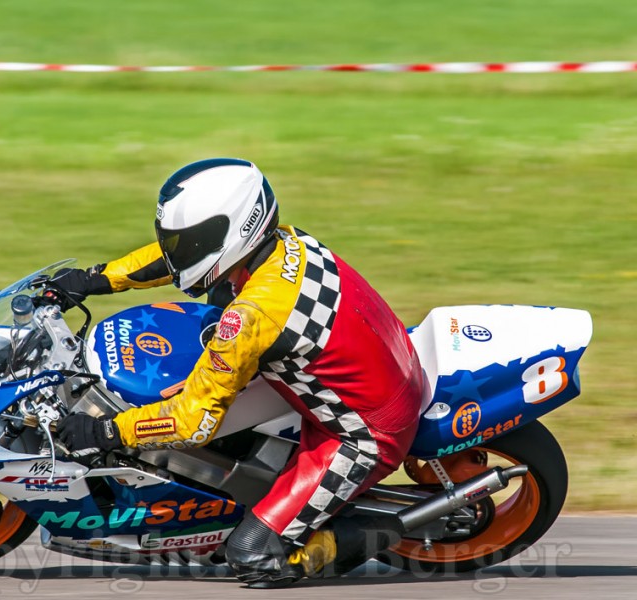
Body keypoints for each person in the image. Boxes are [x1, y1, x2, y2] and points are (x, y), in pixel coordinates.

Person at [50, 158, 424, 588]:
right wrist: (94, 279)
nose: (179, 252)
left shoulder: (250, 315)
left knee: (250, 554)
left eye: (190, 241)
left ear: (237, 229)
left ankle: (374, 534)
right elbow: (173, 261)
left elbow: (193, 422)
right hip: (359, 365)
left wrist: (105, 434)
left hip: (363, 433)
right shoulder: (279, 242)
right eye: (178, 241)